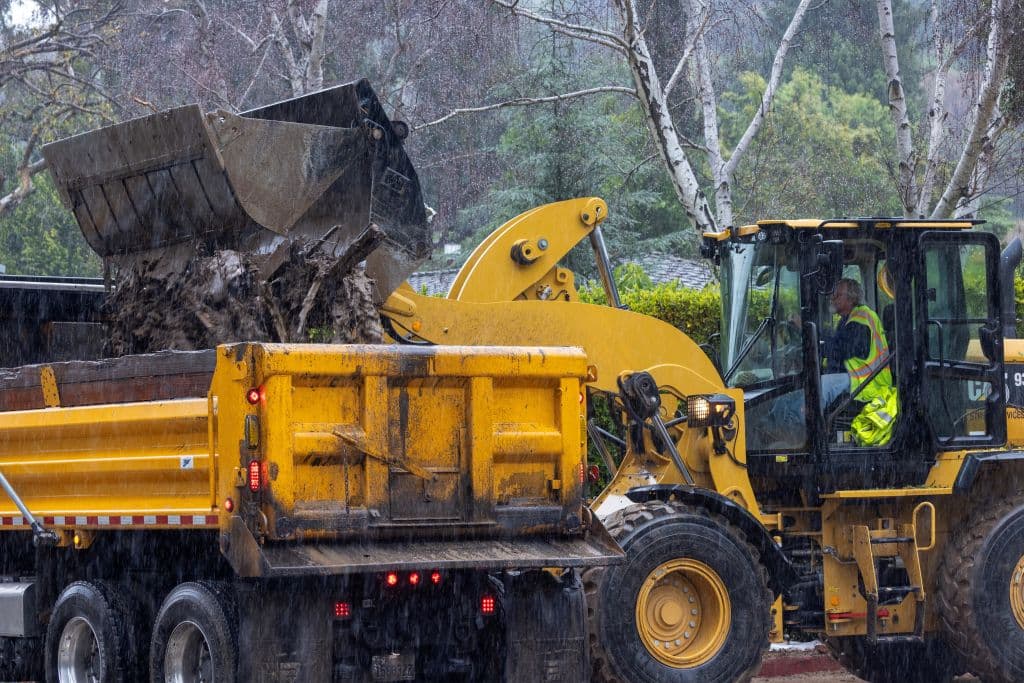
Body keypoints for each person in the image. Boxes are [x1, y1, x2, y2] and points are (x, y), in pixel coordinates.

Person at [820, 278, 893, 411]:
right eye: (833, 294)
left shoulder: (862, 318)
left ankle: (806, 423)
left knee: (821, 385)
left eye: (838, 295)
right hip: (858, 377)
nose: (833, 298)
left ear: (851, 298)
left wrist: (817, 344)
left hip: (869, 382)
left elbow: (841, 350)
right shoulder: (847, 319)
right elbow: (838, 347)